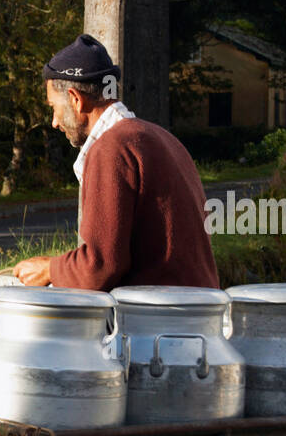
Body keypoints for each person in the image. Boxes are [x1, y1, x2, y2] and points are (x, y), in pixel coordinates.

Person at [13, 34, 220, 291]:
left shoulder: (111, 149)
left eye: (54, 107)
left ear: (76, 99)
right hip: (198, 313)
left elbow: (99, 267)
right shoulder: (162, 138)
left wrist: (50, 269)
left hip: (154, 321)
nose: (54, 122)